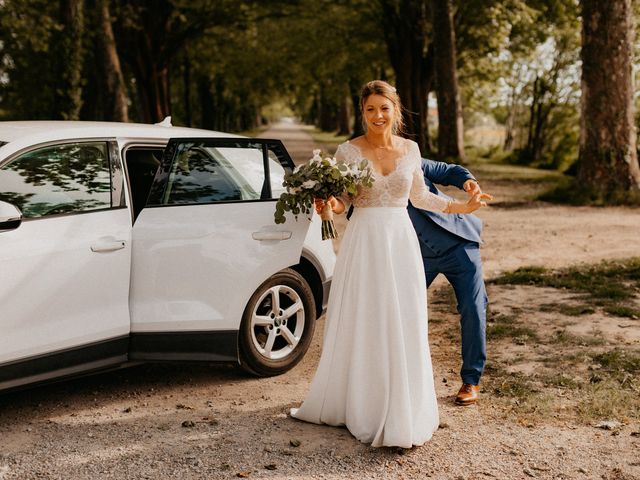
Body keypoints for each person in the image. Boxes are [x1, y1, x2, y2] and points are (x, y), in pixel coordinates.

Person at [290, 80, 491, 448]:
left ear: (395, 111)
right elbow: (342, 201)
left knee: (402, 317)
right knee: (366, 316)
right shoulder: (347, 152)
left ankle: (403, 404)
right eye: (370, 109)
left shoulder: (411, 149)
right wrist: (326, 206)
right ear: (362, 112)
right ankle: (361, 401)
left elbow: (422, 196)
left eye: (384, 108)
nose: (377, 116)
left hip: (400, 242)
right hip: (364, 241)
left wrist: (464, 207)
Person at [407, 160, 489, 406]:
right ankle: (404, 382)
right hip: (416, 255)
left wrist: (468, 182)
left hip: (458, 243)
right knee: (401, 311)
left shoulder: (407, 155)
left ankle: (471, 380)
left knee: (473, 308)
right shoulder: (364, 173)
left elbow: (446, 171)